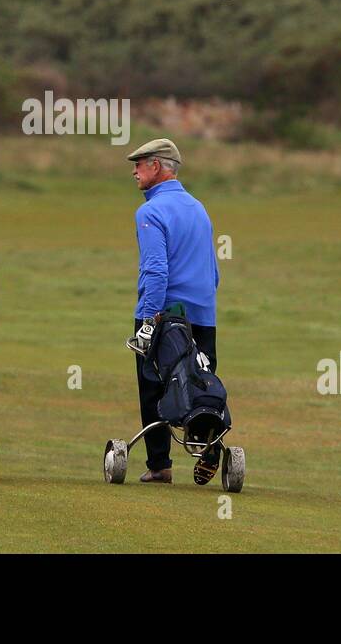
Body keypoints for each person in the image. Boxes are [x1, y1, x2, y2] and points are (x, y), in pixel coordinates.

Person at [124, 138, 220, 484]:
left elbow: (156, 270)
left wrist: (149, 319)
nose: (134, 171)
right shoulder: (198, 207)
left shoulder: (150, 212)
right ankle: (208, 447)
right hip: (203, 314)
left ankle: (159, 465)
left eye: (139, 164)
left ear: (157, 166)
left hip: (164, 314)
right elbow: (213, 270)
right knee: (199, 379)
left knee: (154, 385)